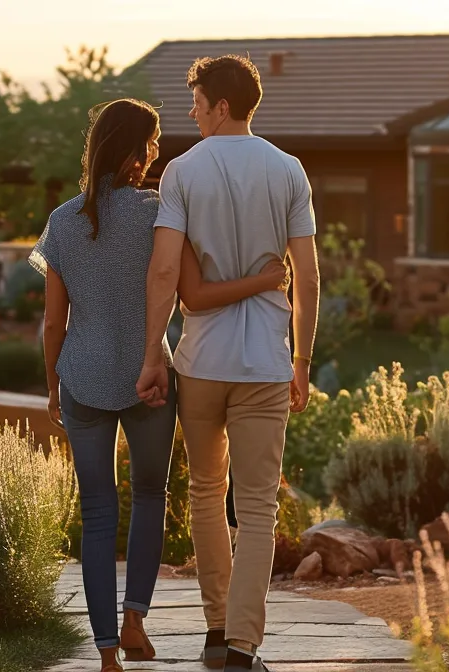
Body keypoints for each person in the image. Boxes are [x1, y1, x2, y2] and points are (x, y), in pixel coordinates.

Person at [33, 97, 288, 672]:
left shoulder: (62, 221)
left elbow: (53, 320)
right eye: (150, 143)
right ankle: (134, 622)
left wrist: (53, 385)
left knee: (97, 511)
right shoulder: (158, 211)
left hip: (82, 376)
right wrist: (269, 279)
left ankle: (104, 654)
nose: (156, 153)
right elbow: (188, 291)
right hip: (151, 380)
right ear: (133, 150)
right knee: (150, 495)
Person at [133, 55, 321, 672]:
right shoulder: (288, 169)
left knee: (208, 495)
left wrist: (151, 353)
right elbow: (309, 280)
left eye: (195, 101)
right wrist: (302, 359)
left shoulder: (182, 173)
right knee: (260, 506)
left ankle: (216, 633)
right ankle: (242, 645)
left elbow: (165, 271)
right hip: (266, 361)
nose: (189, 111)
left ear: (219, 104)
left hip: (203, 360)